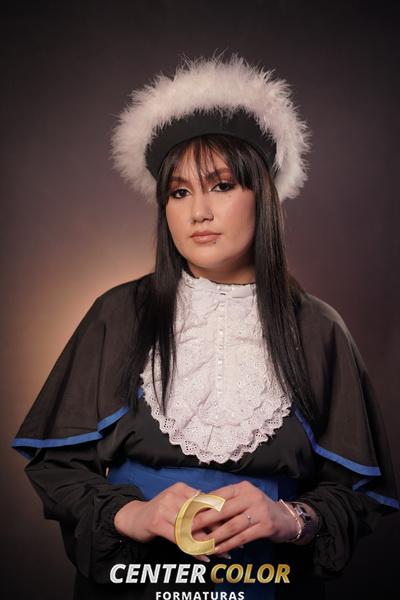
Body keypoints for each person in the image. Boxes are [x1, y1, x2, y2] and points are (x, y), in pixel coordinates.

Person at [12, 54, 399, 600]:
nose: (198, 211)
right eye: (179, 192)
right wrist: (135, 516)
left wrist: (289, 518)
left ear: (263, 196)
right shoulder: (117, 314)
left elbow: (355, 494)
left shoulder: (318, 329)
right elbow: (58, 469)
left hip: (267, 584)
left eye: (220, 186)